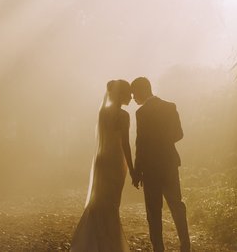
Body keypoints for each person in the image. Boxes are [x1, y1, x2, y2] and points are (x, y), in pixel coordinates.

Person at [70, 79, 135, 252]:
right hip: (114, 162)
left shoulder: (103, 113)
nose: (131, 97)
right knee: (111, 205)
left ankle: (94, 242)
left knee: (98, 203)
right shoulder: (123, 116)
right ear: (121, 94)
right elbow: (125, 144)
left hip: (101, 161)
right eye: (128, 93)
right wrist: (133, 169)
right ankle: (110, 245)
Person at [130, 76, 191, 252]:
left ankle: (158, 248)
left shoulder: (141, 113)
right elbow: (179, 134)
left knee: (153, 211)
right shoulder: (170, 107)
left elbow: (140, 143)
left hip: (150, 168)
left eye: (134, 94)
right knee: (177, 205)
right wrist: (164, 140)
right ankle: (186, 246)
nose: (133, 98)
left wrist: (136, 171)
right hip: (169, 164)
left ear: (143, 91)